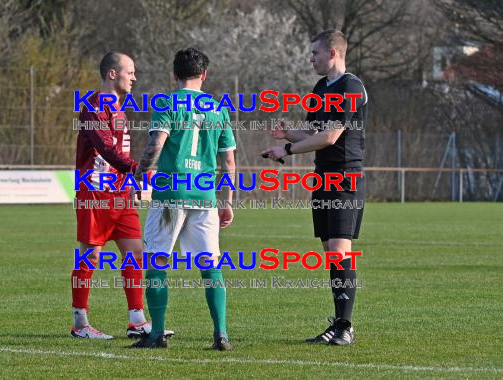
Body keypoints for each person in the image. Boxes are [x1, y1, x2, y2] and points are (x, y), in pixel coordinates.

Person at [262, 30, 368, 345]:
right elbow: (313, 130)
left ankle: (345, 327)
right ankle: (339, 322)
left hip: (344, 178)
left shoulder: (350, 86)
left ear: (332, 53)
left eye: (315, 53)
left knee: (339, 251)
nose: (311, 59)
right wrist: (287, 135)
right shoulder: (321, 87)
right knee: (331, 254)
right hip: (323, 177)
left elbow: (330, 137)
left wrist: (288, 152)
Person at [131, 48, 237, 350]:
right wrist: (226, 202)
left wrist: (139, 177)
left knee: (157, 262)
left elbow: (156, 143)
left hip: (170, 195)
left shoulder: (166, 102)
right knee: (210, 266)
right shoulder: (218, 108)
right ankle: (221, 335)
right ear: (204, 75)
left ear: (174, 74)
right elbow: (228, 163)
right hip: (204, 198)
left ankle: (158, 334)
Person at [72, 52, 173, 340]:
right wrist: (139, 170)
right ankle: (80, 323)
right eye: (130, 71)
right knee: (90, 256)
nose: (135, 77)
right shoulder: (93, 106)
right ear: (112, 74)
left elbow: (119, 152)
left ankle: (137, 321)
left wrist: (133, 179)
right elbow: (106, 149)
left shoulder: (118, 106)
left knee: (135, 253)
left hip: (120, 193)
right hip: (94, 192)